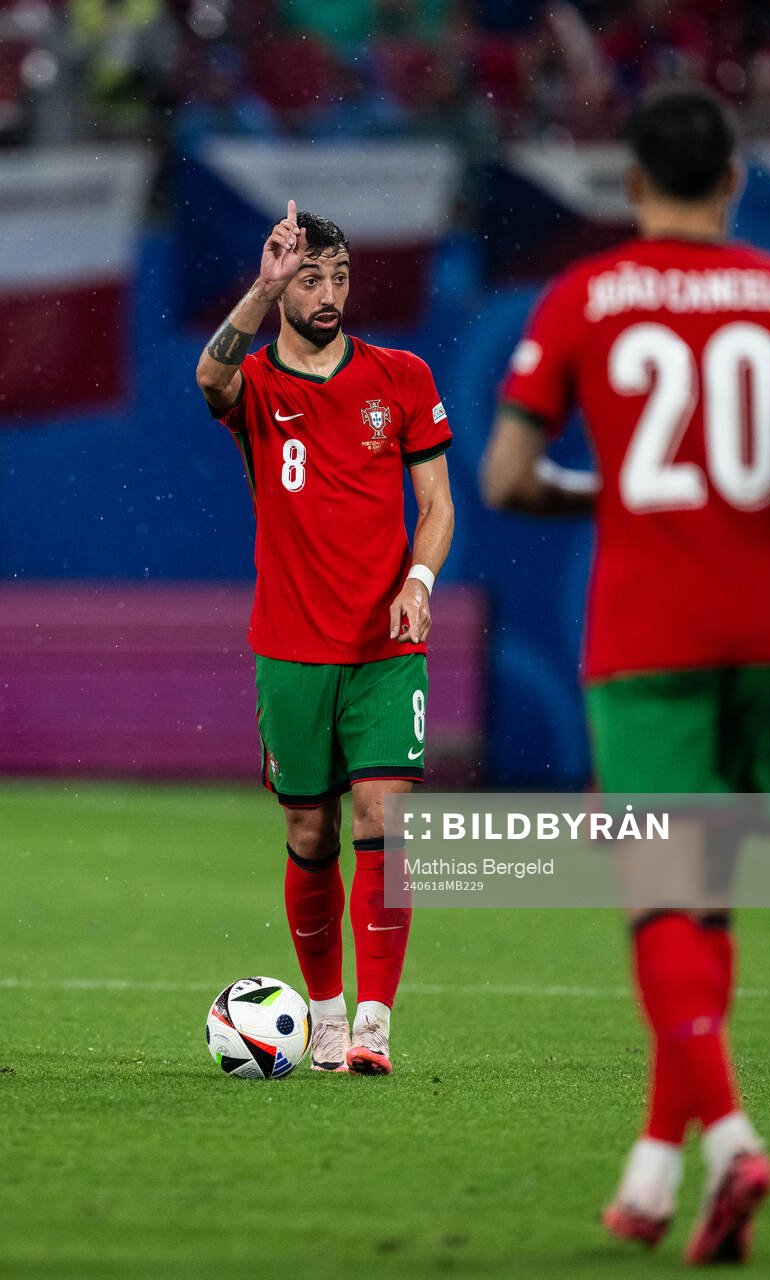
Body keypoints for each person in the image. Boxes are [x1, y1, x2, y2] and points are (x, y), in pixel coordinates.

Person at [483, 86, 770, 1262]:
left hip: (650, 629)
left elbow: (510, 476)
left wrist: (595, 490)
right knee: (703, 899)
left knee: (658, 899)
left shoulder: (586, 299)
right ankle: (655, 1177)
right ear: (734, 179)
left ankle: (734, 1144)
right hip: (766, 626)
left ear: (630, 185)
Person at [196, 202, 454, 1076]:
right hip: (292, 647)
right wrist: (257, 289)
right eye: (310, 278)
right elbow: (208, 379)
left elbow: (439, 508)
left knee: (386, 819)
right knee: (311, 832)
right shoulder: (259, 386)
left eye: (339, 276)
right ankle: (325, 1016)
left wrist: (418, 584)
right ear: (281, 289)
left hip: (386, 645)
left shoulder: (403, 377)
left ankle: (374, 1027)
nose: (329, 293)